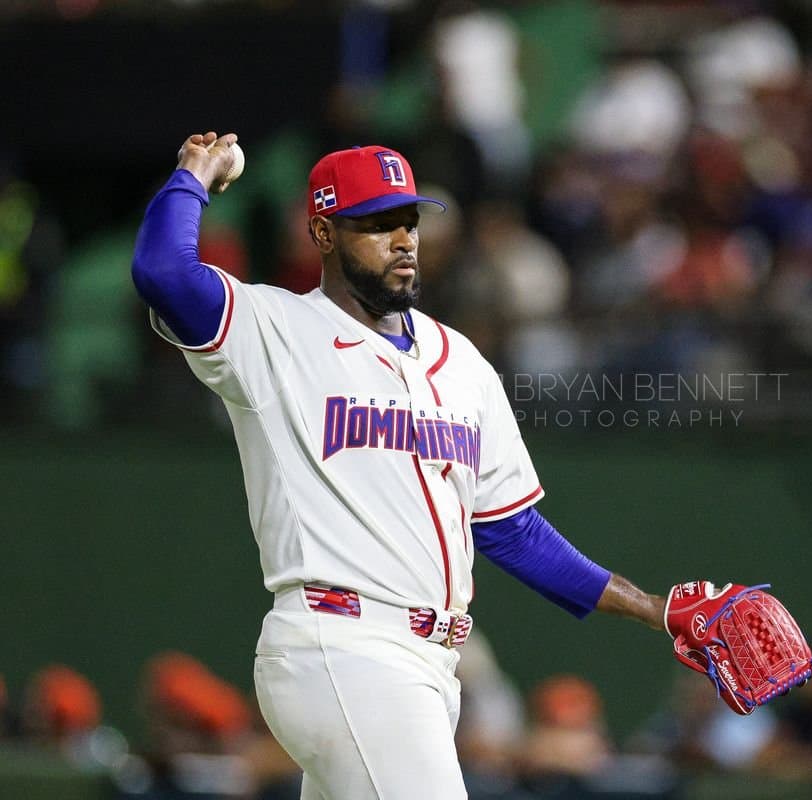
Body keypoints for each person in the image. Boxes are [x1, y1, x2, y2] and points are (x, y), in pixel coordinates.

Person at [130, 131, 669, 800]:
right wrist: (193, 176)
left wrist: (655, 609)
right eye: (377, 224)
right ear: (324, 233)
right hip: (342, 646)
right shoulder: (274, 330)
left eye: (408, 220)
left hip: (433, 669)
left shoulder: (463, 362)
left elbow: (512, 532)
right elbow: (163, 272)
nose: (403, 239)